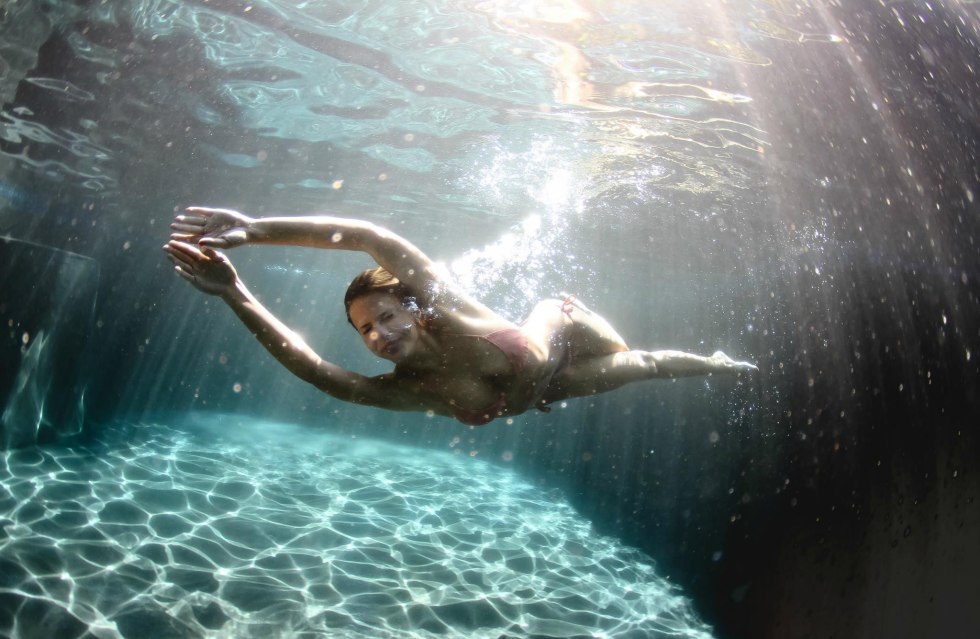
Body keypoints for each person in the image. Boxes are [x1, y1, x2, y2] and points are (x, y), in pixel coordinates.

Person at [165, 207, 756, 426]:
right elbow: (319, 372)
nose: (379, 334)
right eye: (367, 330)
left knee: (631, 353)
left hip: (559, 328)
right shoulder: (407, 391)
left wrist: (258, 230)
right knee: (638, 369)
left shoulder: (449, 308)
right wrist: (234, 293)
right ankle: (713, 364)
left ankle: (716, 361)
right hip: (549, 386)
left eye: (388, 316)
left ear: (416, 310)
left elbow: (373, 236)